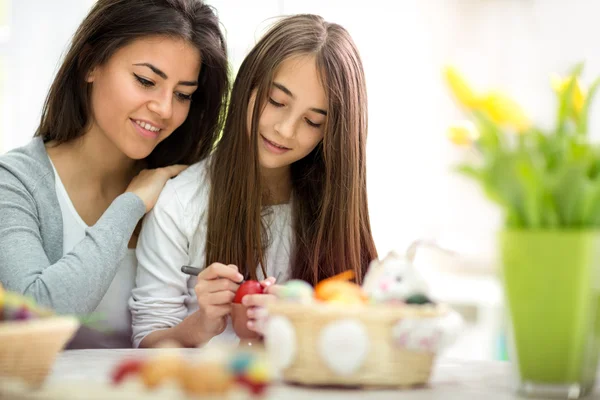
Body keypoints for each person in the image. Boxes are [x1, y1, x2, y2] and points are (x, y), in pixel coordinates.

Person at [130, 14, 378, 348]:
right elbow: (146, 341)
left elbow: (366, 333)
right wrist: (202, 324)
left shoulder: (332, 209)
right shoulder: (181, 202)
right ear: (249, 85)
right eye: (277, 102)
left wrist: (301, 321)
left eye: (312, 121)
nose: (285, 129)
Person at [0, 0, 229, 347]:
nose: (165, 109)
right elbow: (38, 314)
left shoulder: (183, 191)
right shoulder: (15, 182)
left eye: (183, 95)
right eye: (145, 80)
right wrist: (131, 204)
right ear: (90, 63)